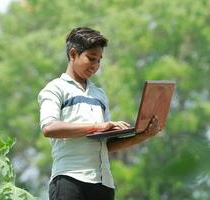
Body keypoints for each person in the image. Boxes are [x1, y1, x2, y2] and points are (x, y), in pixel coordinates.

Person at [38, 27, 160, 200]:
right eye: (91, 59)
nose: (96, 66)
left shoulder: (100, 94)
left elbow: (105, 145)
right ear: (73, 54)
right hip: (69, 180)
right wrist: (98, 126)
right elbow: (49, 128)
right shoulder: (55, 88)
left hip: (104, 185)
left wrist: (142, 136)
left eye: (99, 60)